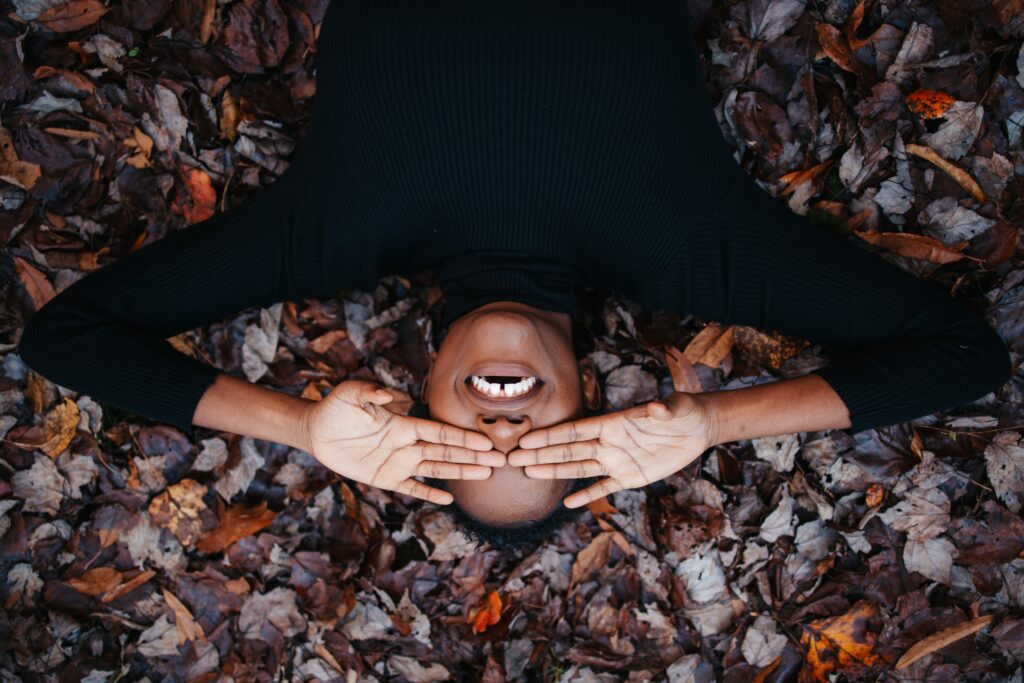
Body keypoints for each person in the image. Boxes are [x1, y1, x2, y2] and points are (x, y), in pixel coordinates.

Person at [17, 0, 1012, 550]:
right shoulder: (689, 248)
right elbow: (957, 356)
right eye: (539, 452)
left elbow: (67, 337)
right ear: (594, 399)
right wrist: (712, 420)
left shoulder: (328, 232)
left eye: (457, 450)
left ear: (412, 401)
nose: (500, 431)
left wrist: (295, 424)